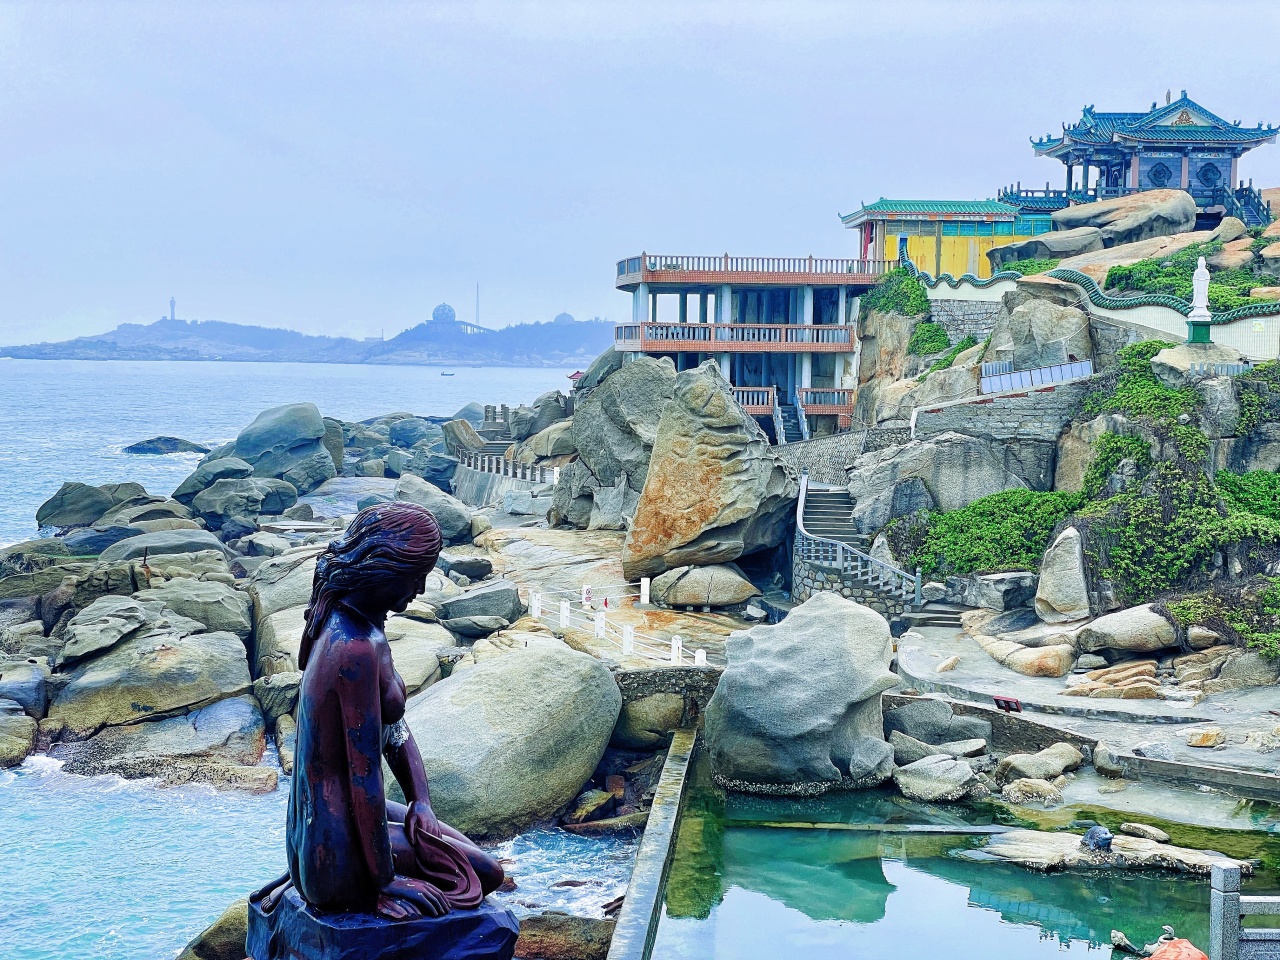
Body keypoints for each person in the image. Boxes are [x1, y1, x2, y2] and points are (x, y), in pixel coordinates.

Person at [254, 502, 503, 921]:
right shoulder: (354, 649)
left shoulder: (342, 615)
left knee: (444, 840)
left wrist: (420, 800)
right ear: (384, 570)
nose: (420, 589)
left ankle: (306, 874)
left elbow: (394, 729)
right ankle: (335, 880)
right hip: (335, 857)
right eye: (415, 576)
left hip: (320, 828)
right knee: (484, 872)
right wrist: (386, 882)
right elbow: (363, 776)